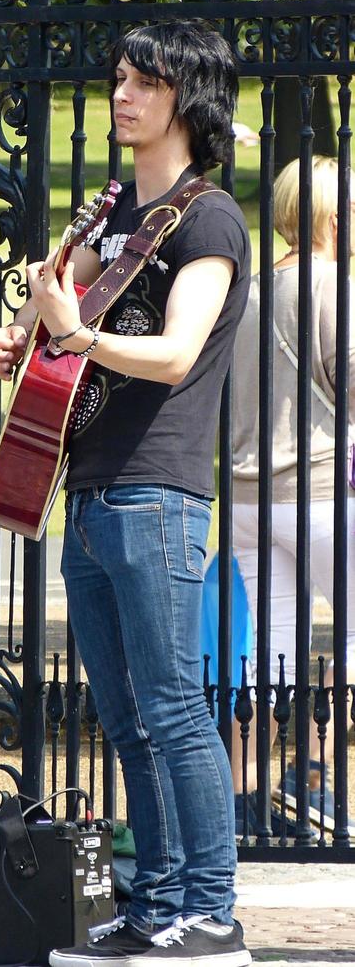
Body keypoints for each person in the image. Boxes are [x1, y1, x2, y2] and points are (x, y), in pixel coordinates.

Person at [0, 22, 252, 967]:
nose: (122, 94)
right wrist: (23, 332)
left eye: (143, 81)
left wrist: (79, 336)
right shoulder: (118, 222)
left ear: (188, 98)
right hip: (90, 495)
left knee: (176, 708)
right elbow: (50, 308)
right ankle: (157, 905)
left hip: (159, 495)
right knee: (125, 718)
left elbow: (176, 354)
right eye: (119, 78)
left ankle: (214, 913)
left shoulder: (209, 219)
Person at [229, 154, 354, 836]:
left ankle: (248, 802)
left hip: (248, 499)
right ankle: (309, 779)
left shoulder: (245, 290)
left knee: (265, 656)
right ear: (335, 219)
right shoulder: (333, 284)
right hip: (322, 492)